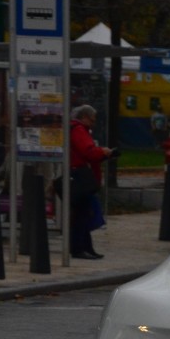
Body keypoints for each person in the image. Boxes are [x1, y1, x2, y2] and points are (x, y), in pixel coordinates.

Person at [69, 104, 118, 259]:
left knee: (84, 212)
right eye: (92, 120)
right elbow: (87, 151)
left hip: (81, 175)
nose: (93, 123)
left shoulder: (78, 129)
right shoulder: (78, 130)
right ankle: (78, 248)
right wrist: (103, 152)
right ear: (83, 117)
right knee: (82, 213)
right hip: (81, 177)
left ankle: (86, 247)